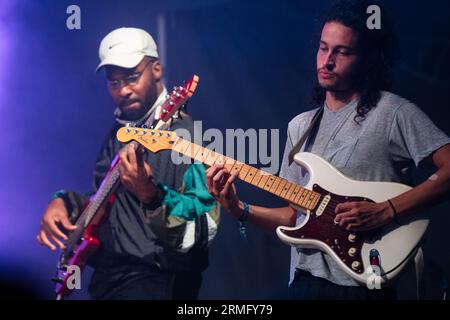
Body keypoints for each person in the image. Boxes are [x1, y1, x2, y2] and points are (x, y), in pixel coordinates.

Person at [205, 0, 450, 300]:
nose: (327, 60)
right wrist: (238, 209)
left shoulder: (394, 113)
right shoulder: (301, 126)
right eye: (323, 48)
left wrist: (385, 210)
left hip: (367, 284)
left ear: (368, 59)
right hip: (307, 281)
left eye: (342, 52)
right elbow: (295, 217)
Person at [37, 27, 219, 300]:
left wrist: (151, 196)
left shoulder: (184, 135)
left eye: (132, 77)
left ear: (157, 70)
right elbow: (104, 202)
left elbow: (202, 228)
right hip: (108, 278)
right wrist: (63, 201)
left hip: (156, 281)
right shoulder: (120, 130)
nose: (123, 90)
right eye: (114, 83)